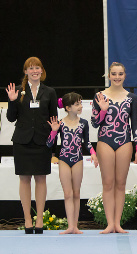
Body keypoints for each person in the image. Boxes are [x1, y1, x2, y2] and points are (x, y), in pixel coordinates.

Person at [6, 57, 57, 234]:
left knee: (41, 178)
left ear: (42, 71)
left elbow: (54, 122)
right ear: (26, 72)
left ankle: (40, 219)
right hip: (22, 141)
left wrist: (53, 148)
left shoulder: (49, 92)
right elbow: (11, 118)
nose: (35, 71)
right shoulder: (18, 91)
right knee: (24, 179)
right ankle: (27, 218)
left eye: (37, 68)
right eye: (31, 68)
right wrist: (12, 101)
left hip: (42, 142)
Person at [91, 62, 137, 234]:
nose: (117, 77)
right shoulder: (100, 96)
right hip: (105, 140)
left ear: (125, 76)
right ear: (109, 75)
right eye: (114, 74)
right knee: (108, 183)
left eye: (120, 74)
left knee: (120, 184)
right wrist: (103, 110)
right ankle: (109, 223)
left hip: (125, 142)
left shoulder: (132, 98)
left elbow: (135, 124)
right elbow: (95, 123)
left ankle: (117, 223)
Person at [47, 92, 98, 234]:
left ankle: (75, 226)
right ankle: (70, 226)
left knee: (76, 193)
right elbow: (49, 144)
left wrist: (93, 154)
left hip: (77, 159)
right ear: (68, 108)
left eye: (81, 103)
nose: (81, 106)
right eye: (77, 104)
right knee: (68, 194)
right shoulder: (60, 123)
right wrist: (53, 131)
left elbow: (87, 142)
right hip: (63, 159)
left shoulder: (84, 123)